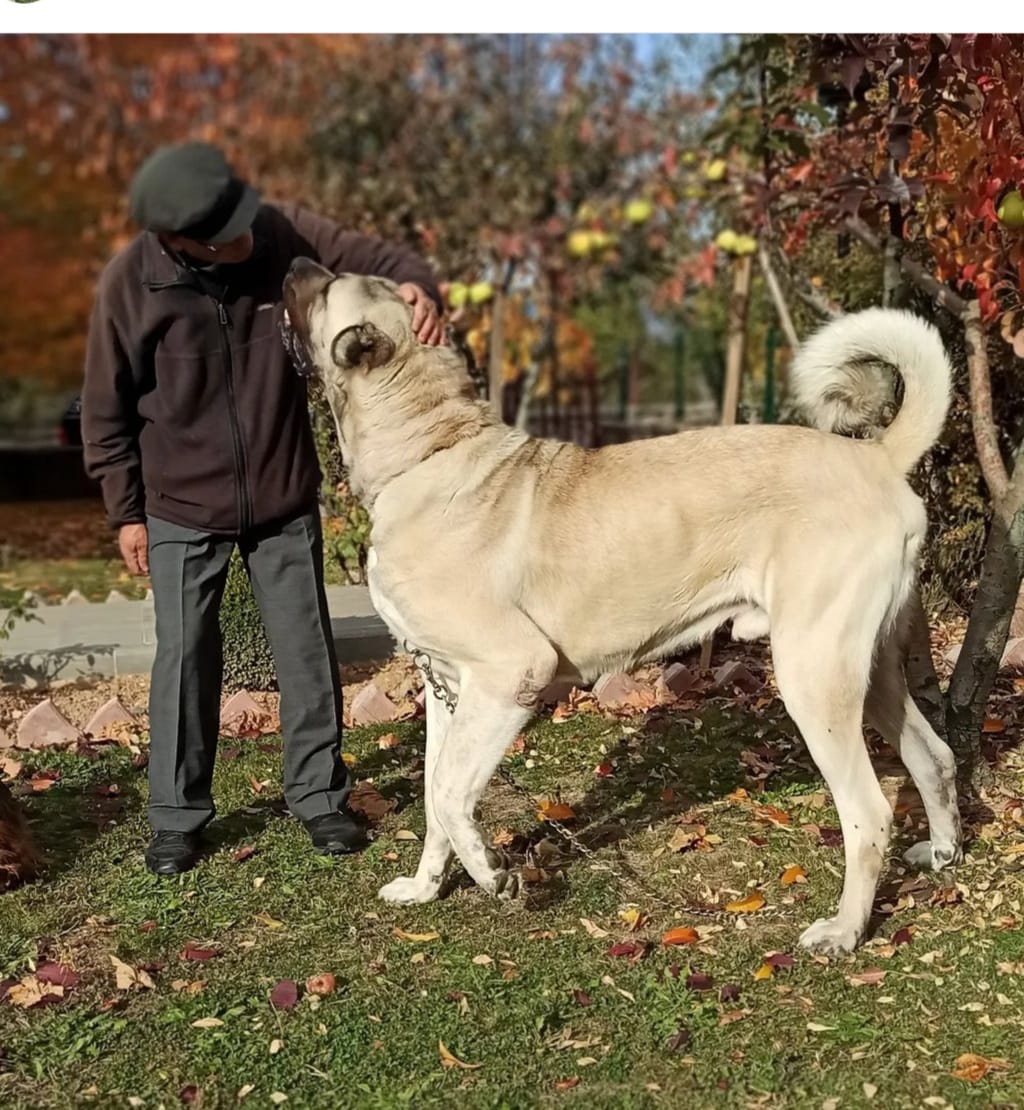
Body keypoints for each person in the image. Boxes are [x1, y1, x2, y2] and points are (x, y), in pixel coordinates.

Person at [82, 141, 444, 875]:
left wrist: (415, 284)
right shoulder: (130, 286)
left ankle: (319, 799)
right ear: (176, 244)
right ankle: (177, 819)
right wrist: (127, 512)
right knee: (184, 660)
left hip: (281, 495)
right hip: (179, 506)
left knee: (307, 653)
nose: (248, 243)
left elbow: (376, 255)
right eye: (226, 238)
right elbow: (105, 411)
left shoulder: (277, 231)